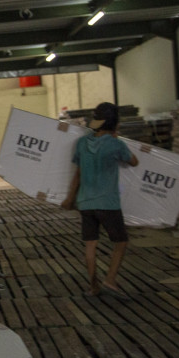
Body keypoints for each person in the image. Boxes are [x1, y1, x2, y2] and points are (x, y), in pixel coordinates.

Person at [61, 102, 139, 299]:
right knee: (120, 242)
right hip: (108, 204)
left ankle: (93, 286)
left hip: (85, 203)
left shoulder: (81, 143)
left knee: (90, 245)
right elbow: (134, 161)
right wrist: (117, 138)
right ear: (115, 123)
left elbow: (77, 174)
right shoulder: (115, 144)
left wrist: (70, 198)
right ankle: (110, 280)